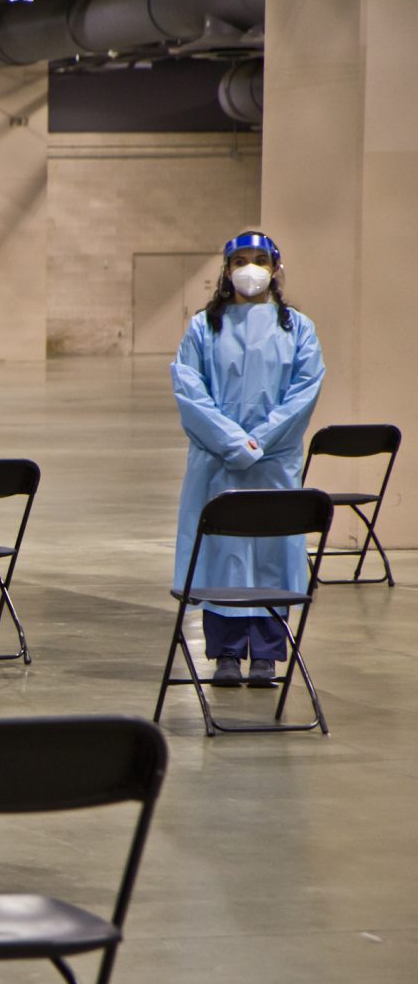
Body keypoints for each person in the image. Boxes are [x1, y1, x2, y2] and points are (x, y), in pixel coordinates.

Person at [171, 230, 325, 688]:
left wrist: (259, 441)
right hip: (218, 465)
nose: (251, 268)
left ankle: (267, 655)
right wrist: (235, 444)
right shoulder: (204, 327)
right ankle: (225, 654)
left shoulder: (296, 327)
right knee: (224, 555)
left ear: (276, 267)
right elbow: (190, 392)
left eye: (260, 259)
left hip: (274, 462)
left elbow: (304, 391)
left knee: (271, 553)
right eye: (241, 259)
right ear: (227, 268)